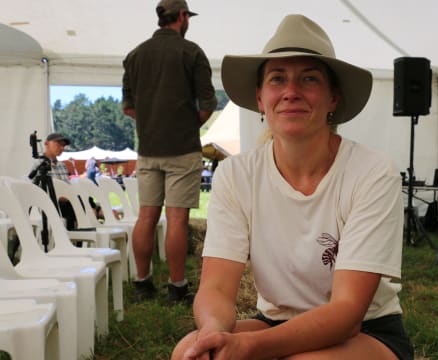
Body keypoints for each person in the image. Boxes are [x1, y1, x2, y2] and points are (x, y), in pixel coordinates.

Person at [172, 14, 413, 360]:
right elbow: (217, 288)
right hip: (275, 322)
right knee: (187, 352)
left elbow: (347, 314)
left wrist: (247, 347)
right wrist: (212, 334)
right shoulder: (236, 175)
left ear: (333, 99)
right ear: (260, 97)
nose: (290, 92)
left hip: (368, 330)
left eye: (309, 79)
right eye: (277, 79)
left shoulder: (372, 172)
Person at [121, 0, 217, 304]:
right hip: (182, 148)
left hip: (148, 148)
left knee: (146, 216)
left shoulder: (135, 55)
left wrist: (151, 121)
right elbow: (208, 104)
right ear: (183, 16)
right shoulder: (192, 52)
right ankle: (177, 288)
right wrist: (186, 123)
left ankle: (142, 283)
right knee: (177, 219)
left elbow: (128, 106)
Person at [29, 132, 76, 230]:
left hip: (65, 201)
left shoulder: (62, 165)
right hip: (51, 204)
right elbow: (35, 190)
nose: (62, 148)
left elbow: (68, 187)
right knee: (76, 206)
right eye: (58, 144)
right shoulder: (39, 164)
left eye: (63, 145)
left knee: (81, 202)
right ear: (46, 144)